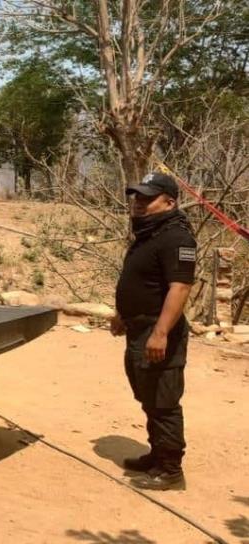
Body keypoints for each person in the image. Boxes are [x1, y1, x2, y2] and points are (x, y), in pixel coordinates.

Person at [110, 172, 196, 491]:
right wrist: (123, 314)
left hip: (159, 332)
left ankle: (171, 470)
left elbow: (180, 286)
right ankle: (157, 454)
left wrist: (160, 333)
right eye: (137, 197)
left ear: (169, 202)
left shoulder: (177, 237)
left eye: (147, 198)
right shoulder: (149, 235)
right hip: (138, 328)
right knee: (148, 396)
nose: (139, 203)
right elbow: (141, 281)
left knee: (163, 400)